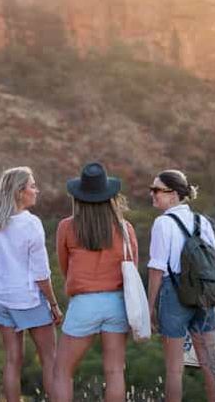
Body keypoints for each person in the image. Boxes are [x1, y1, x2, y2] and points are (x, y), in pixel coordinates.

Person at [53, 162, 138, 402]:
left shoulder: (67, 227)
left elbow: (64, 266)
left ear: (79, 197)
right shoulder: (125, 227)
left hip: (84, 303)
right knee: (114, 371)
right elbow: (132, 267)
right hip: (117, 302)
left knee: (62, 371)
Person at [0, 167, 62, 402]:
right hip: (30, 299)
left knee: (12, 360)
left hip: (1, 299)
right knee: (49, 358)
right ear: (19, 192)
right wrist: (54, 305)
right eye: (32, 186)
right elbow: (41, 274)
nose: (37, 190)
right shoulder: (31, 224)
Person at [146, 169, 215, 402]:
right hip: (204, 294)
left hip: (174, 294)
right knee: (210, 365)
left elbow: (157, 269)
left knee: (174, 370)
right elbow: (212, 260)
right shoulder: (203, 221)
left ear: (174, 194)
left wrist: (149, 307)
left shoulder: (162, 223)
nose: (153, 194)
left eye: (157, 190)